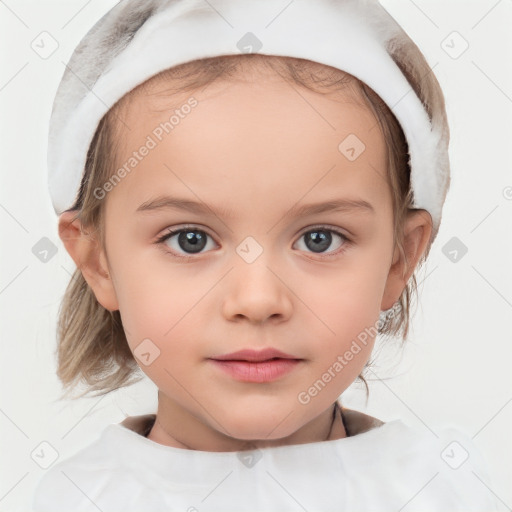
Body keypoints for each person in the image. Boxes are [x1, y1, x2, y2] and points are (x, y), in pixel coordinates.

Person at [32, 0, 498, 510]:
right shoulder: (73, 500)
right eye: (190, 239)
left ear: (399, 259)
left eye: (320, 238)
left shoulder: (446, 491)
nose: (257, 300)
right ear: (98, 261)